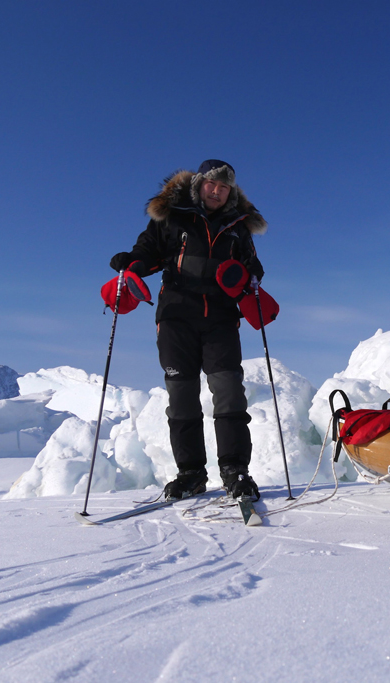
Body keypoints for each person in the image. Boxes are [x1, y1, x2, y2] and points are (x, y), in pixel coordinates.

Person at [110, 160, 265, 501]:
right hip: (176, 318)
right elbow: (148, 252)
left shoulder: (238, 226)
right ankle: (191, 473)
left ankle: (235, 470)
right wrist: (132, 265)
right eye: (211, 184)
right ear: (199, 184)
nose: (216, 191)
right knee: (181, 397)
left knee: (228, 393)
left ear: (231, 192)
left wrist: (249, 276)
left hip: (221, 320)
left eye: (223, 187)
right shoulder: (174, 215)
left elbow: (252, 268)